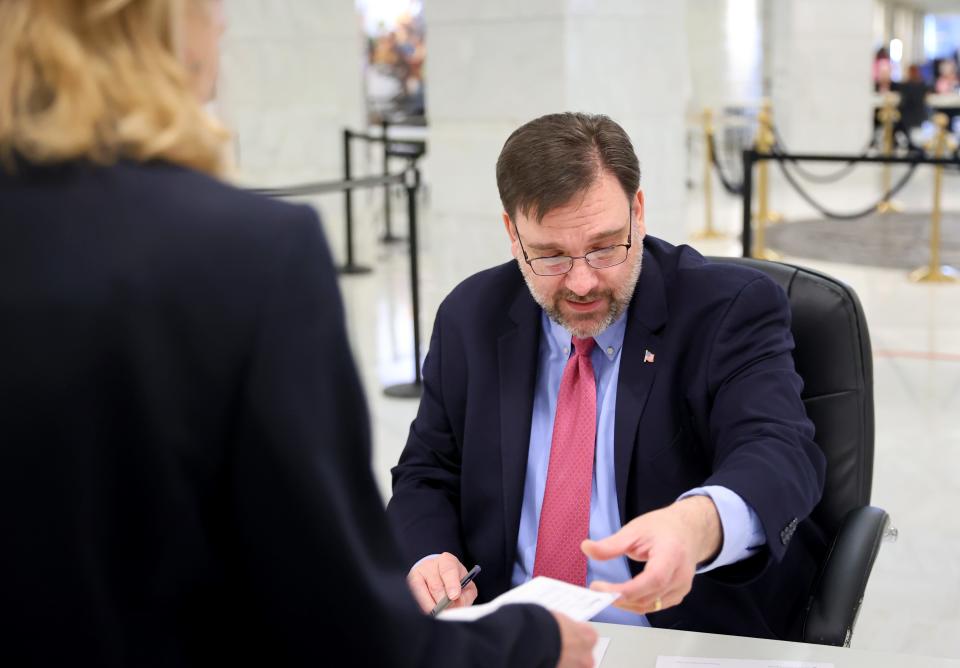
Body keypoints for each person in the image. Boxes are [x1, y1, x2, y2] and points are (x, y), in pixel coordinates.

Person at [0, 2, 596, 666]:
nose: (222, 23)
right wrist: (532, 644)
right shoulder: (241, 255)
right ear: (150, 23)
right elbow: (339, 624)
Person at [387, 112, 827, 640]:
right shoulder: (471, 317)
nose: (581, 282)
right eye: (549, 256)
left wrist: (697, 525)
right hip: (514, 638)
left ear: (638, 212)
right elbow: (426, 471)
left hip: (676, 637)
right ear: (512, 233)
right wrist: (430, 556)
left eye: (604, 246)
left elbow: (779, 449)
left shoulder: (726, 310)